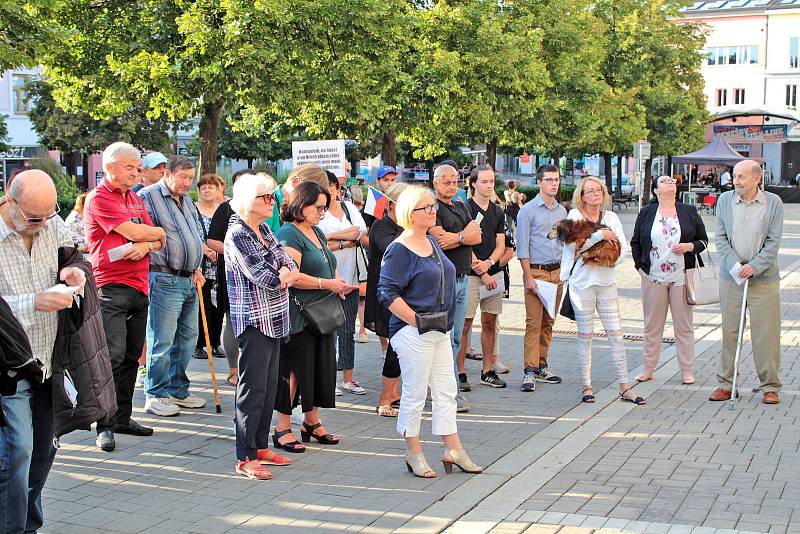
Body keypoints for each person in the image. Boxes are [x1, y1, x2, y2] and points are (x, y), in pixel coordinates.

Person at [0, 170, 87, 533]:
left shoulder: (52, 224)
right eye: (34, 218)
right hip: (8, 364)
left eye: (49, 214)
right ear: (9, 199)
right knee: (17, 450)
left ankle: (28, 524)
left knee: (44, 451)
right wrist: (34, 301)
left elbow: (76, 256)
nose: (42, 224)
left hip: (49, 360)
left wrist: (75, 271)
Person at [379, 185, 483, 478]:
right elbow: (387, 293)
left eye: (432, 206)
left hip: (438, 327)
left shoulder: (432, 241)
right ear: (409, 214)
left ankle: (453, 449)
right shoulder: (399, 248)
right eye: (425, 207)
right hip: (414, 331)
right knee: (414, 393)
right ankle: (414, 452)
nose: (432, 210)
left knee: (446, 391)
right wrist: (415, 321)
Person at [83, 142, 167, 452]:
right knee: (112, 356)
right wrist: (148, 235)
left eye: (137, 167)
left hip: (139, 286)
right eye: (129, 167)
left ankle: (122, 417)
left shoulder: (134, 198)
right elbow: (136, 233)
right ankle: (104, 424)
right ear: (110, 167)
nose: (136, 173)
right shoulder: (99, 198)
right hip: (110, 287)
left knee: (132, 355)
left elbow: (160, 238)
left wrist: (148, 243)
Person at [225, 173, 299, 480]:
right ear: (247, 202)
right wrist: (283, 272)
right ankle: (245, 456)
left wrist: (285, 271)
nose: (272, 202)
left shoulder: (264, 229)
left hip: (275, 318)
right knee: (252, 389)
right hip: (255, 319)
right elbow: (265, 276)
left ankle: (260, 446)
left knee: (269, 388)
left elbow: (291, 264)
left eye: (272, 196)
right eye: (265, 197)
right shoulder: (238, 234)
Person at [274, 181, 352, 452]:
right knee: (294, 371)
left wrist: (337, 281)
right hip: (300, 314)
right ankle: (282, 428)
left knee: (320, 367)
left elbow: (327, 266)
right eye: (318, 207)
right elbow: (291, 276)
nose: (323, 211)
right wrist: (327, 284)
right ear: (301, 204)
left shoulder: (316, 231)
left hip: (322, 311)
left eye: (325, 206)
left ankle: (312, 422)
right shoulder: (288, 233)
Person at [560, 177, 644, 405]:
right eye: (591, 191)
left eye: (599, 190)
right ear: (582, 195)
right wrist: (600, 236)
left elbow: (623, 249)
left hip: (606, 281)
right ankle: (587, 386)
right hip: (582, 284)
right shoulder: (574, 217)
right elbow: (572, 247)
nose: (596, 194)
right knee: (585, 336)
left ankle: (624, 385)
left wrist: (609, 261)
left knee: (616, 334)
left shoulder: (612, 217)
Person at [138, 156, 207, 417]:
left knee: (188, 338)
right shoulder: (148, 196)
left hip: (189, 276)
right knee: (162, 339)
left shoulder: (186, 200)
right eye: (183, 177)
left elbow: (194, 235)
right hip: (164, 276)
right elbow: (142, 232)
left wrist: (197, 266)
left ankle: (177, 389)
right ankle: (155, 393)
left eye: (191, 178)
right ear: (168, 173)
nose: (187, 183)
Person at [711, 160, 784, 404]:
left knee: (766, 333)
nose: (736, 181)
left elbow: (773, 242)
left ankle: (770, 386)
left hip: (763, 279)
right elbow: (720, 237)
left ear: (756, 179)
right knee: (730, 332)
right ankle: (726, 384)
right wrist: (736, 266)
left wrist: (754, 266)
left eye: (741, 176)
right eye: (734, 176)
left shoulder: (773, 203)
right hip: (732, 278)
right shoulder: (724, 201)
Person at [630, 175, 708, 385]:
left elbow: (703, 240)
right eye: (664, 181)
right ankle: (648, 368)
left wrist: (689, 247)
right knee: (652, 326)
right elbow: (635, 242)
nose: (670, 183)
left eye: (672, 181)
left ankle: (687, 370)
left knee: (684, 326)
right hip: (652, 277)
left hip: (682, 277)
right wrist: (640, 267)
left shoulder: (688, 211)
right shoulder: (646, 212)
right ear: (656, 190)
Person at [429, 164, 482, 411]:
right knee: (446, 339)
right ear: (436, 183)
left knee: (457, 340)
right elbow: (441, 241)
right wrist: (464, 236)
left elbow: (477, 237)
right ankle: (449, 394)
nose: (452, 186)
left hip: (464, 278)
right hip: (444, 282)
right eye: (446, 182)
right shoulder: (432, 208)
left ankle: (450, 391)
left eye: (455, 181)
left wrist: (457, 237)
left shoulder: (460, 205)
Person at [516, 164, 566, 392]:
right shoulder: (527, 210)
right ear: (539, 183)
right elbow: (523, 248)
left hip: (556, 273)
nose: (553, 183)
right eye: (548, 179)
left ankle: (542, 365)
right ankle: (529, 371)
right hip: (535, 272)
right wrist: (528, 277)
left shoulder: (561, 211)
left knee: (549, 322)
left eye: (556, 179)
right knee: (533, 323)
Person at [318, 171, 368, 395]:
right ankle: (327, 379)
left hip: (352, 278)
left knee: (348, 330)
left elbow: (359, 231)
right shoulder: (317, 213)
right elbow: (318, 241)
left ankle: (348, 378)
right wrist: (341, 241)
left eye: (333, 186)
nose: (331, 190)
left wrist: (331, 237)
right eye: (325, 186)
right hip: (327, 279)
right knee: (328, 330)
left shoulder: (349, 207)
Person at [460, 165, 506, 388]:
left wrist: (489, 265)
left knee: (490, 321)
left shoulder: (498, 211)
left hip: (493, 274)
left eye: (492, 182)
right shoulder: (464, 208)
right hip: (471, 274)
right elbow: (464, 243)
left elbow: (501, 244)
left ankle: (487, 370)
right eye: (484, 182)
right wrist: (480, 268)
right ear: (473, 183)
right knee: (464, 323)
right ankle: (459, 372)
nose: (489, 186)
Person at [364, 182, 408, 417]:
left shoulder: (403, 226)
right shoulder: (381, 227)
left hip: (404, 293)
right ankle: (385, 398)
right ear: (391, 204)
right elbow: (396, 249)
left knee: (400, 347)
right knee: (395, 346)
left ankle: (395, 394)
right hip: (387, 295)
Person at [207, 169, 253, 387]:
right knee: (232, 321)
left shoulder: (262, 210)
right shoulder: (226, 209)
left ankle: (251, 367)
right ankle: (233, 370)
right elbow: (212, 241)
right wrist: (237, 252)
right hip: (232, 273)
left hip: (257, 275)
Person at [193, 173, 226, 360]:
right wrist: (206, 250)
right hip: (201, 264)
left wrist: (218, 250)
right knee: (201, 304)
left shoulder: (223, 209)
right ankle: (199, 344)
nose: (207, 190)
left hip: (220, 263)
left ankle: (215, 342)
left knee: (218, 304)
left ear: (218, 189)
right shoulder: (192, 209)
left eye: (211, 186)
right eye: (203, 187)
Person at [349, 185, 370, 344]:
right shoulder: (359, 211)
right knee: (361, 296)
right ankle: (362, 329)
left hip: (358, 255)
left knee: (360, 295)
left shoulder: (353, 211)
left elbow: (361, 234)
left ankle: (360, 329)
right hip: (360, 256)